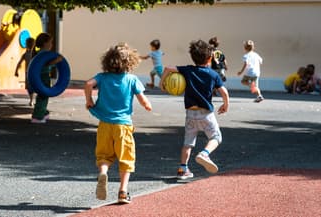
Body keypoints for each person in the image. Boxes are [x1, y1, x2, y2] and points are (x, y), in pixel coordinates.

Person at [84, 42, 152, 204]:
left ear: (107, 61)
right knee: (126, 158)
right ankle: (123, 192)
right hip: (123, 125)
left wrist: (89, 100)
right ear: (130, 62)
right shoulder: (131, 79)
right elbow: (142, 99)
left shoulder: (102, 77)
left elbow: (88, 84)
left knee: (104, 155)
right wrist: (147, 105)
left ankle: (103, 173)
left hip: (104, 124)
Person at [159, 39, 229, 180]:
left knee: (188, 143)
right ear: (210, 59)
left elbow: (167, 68)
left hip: (190, 114)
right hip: (206, 114)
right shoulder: (213, 74)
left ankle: (182, 169)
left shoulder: (188, 70)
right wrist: (225, 104)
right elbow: (224, 92)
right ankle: (204, 153)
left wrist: (162, 84)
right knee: (216, 137)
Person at [31, 33, 64, 123]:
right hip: (43, 77)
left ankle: (44, 113)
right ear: (45, 43)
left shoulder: (39, 53)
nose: (51, 44)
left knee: (42, 97)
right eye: (50, 42)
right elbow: (46, 64)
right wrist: (57, 60)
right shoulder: (44, 54)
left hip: (38, 78)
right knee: (43, 96)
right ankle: (37, 117)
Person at [15, 37, 35, 106]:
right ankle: (31, 100)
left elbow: (19, 63)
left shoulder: (34, 54)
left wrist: (16, 70)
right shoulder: (26, 54)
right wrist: (16, 70)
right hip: (29, 73)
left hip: (31, 73)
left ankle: (31, 100)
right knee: (30, 87)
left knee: (31, 87)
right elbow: (19, 63)